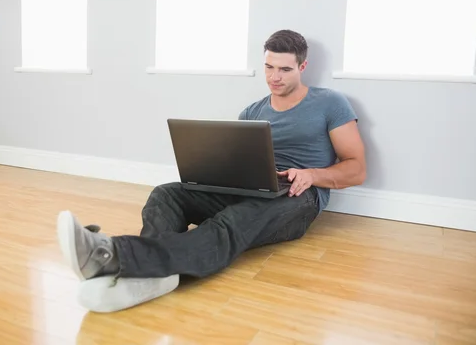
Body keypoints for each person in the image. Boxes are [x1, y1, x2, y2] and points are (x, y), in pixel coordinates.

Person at [56, 29, 366, 312]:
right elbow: (242, 162)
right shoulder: (252, 112)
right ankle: (150, 277)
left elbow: (357, 169)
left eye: (284, 69)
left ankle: (113, 255)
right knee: (167, 194)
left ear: (302, 66)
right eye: (269, 67)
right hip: (252, 188)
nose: (274, 76)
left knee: (233, 221)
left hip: (299, 198)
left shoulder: (330, 103)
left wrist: (312, 175)